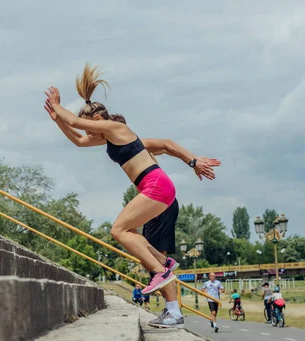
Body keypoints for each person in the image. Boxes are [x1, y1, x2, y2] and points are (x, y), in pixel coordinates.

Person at [44, 75, 220, 327]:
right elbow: (79, 140)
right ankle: (163, 266)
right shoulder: (107, 137)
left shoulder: (117, 129)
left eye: (90, 127)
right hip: (153, 187)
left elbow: (74, 120)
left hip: (155, 185)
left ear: (97, 120)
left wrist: (58, 106)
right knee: (128, 232)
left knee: (119, 229)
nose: (89, 133)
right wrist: (57, 120)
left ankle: (161, 271)